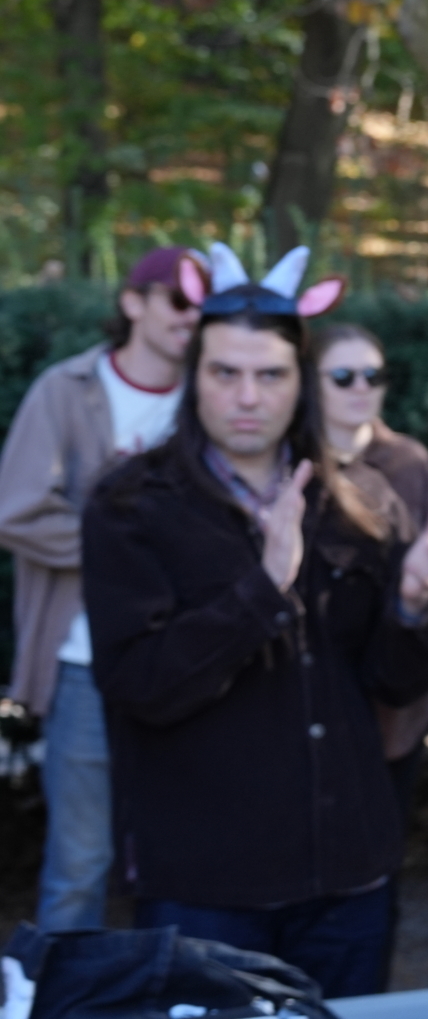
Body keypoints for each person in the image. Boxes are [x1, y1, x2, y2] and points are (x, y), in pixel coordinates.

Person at [82, 249, 428, 999]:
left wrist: (415, 605)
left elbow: (395, 682)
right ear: (194, 376)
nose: (248, 396)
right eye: (226, 373)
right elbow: (137, 684)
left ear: (301, 381)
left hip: (347, 874)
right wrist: (262, 587)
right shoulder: (130, 505)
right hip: (206, 887)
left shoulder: (361, 500)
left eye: (272, 374)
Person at [0, 245, 196, 932]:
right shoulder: (66, 389)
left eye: (204, 304)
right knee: (80, 864)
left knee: (187, 858)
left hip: (189, 661)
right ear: (132, 302)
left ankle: (174, 986)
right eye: (179, 299)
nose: (193, 316)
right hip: (86, 662)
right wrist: (125, 552)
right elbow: (16, 509)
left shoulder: (216, 396)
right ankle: (61, 985)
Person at [312, 321, 428, 989]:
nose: (361, 387)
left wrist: (422, 586)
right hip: (317, 700)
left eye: (373, 375)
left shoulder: (408, 461)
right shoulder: (293, 461)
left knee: (377, 878)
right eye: (343, 376)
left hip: (391, 705)